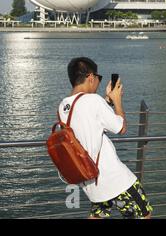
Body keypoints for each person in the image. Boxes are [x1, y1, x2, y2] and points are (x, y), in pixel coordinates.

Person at [58, 57, 153, 219]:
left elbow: (91, 121)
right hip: (113, 178)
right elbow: (121, 127)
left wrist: (107, 101)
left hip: (89, 179)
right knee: (144, 214)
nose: (98, 82)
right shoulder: (94, 101)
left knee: (98, 215)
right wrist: (117, 101)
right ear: (90, 77)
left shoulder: (64, 106)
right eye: (98, 78)